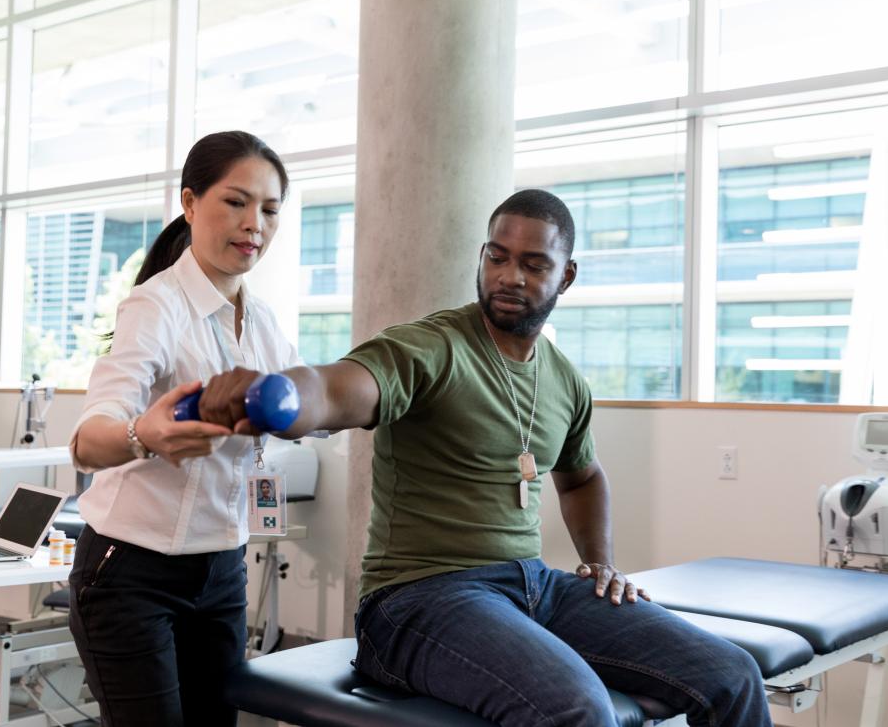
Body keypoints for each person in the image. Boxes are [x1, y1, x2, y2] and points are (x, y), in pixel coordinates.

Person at [198, 189, 772, 726]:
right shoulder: (431, 346)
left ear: (565, 276)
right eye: (497, 257)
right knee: (578, 710)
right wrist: (280, 395)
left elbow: (582, 476)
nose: (509, 277)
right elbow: (338, 388)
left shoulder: (566, 380)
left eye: (533, 264)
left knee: (733, 674)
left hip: (533, 589)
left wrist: (601, 563)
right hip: (418, 599)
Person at [68, 131, 299, 726]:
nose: (254, 224)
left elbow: (306, 409)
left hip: (222, 570)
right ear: (190, 203)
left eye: (270, 210)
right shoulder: (155, 307)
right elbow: (88, 440)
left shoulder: (266, 324)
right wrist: (144, 434)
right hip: (130, 573)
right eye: (236, 202)